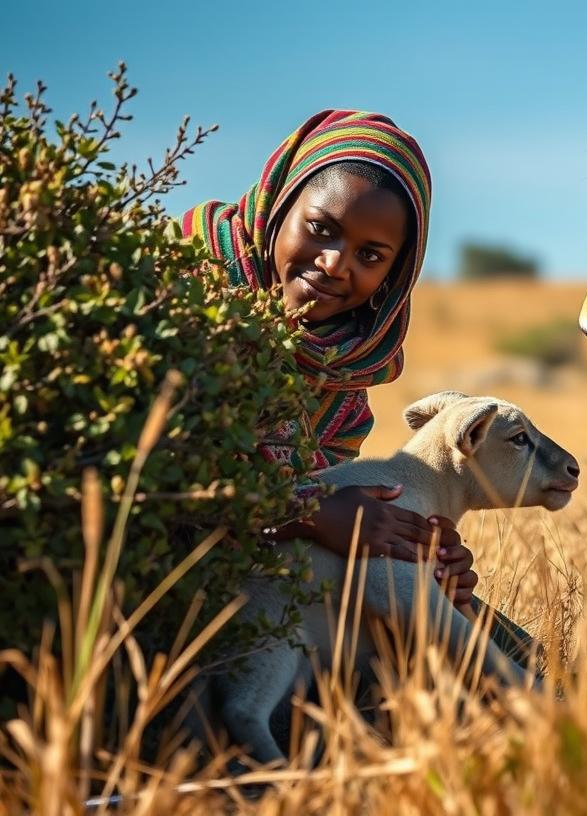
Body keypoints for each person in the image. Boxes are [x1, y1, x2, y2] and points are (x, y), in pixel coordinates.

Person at [181, 110, 534, 663]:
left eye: (370, 256)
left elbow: (324, 529)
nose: (334, 263)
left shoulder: (340, 384)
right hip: (150, 593)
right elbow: (153, 484)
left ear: (391, 279)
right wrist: (307, 514)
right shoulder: (180, 296)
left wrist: (414, 554)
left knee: (494, 641)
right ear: (279, 208)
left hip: (270, 596)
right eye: (321, 228)